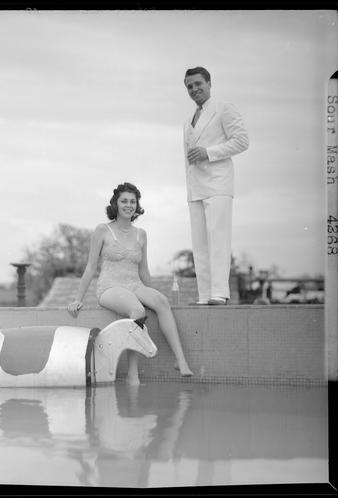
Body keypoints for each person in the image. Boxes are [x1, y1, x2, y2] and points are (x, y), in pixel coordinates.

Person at [67, 182, 193, 385]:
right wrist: (77, 299)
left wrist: (150, 292)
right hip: (109, 287)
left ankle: (180, 360)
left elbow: (143, 270)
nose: (129, 205)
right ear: (116, 204)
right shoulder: (102, 230)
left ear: (137, 205)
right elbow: (91, 267)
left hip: (135, 284)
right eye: (124, 201)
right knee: (137, 310)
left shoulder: (141, 234)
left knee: (161, 301)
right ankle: (132, 374)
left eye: (132, 201)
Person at [183, 66, 249, 305]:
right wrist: (189, 191)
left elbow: (242, 141)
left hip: (218, 183)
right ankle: (204, 295)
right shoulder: (188, 120)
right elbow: (188, 159)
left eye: (198, 84)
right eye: (189, 86)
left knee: (218, 239)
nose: (194, 89)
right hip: (196, 187)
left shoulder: (224, 108)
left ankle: (219, 292)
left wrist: (209, 153)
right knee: (199, 245)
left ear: (209, 83)